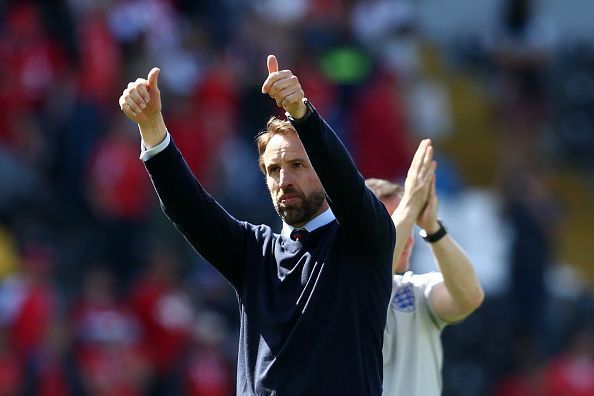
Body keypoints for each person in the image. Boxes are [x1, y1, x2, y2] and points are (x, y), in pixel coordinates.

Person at [118, 55, 395, 395]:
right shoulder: (254, 252)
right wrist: (152, 129)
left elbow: (349, 190)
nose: (284, 179)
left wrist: (302, 115)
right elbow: (189, 209)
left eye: (297, 165)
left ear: (322, 167)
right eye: (274, 169)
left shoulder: (364, 240)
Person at [365, 140, 485, 396]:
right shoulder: (335, 289)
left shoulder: (416, 289)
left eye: (410, 225)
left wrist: (432, 228)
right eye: (399, 224)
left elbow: (469, 297)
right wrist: (409, 204)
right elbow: (371, 273)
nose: (409, 238)